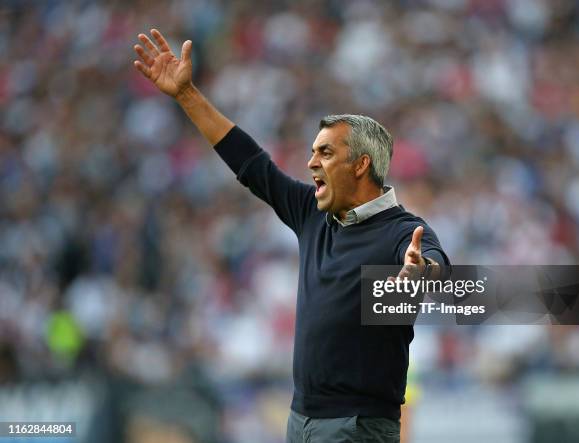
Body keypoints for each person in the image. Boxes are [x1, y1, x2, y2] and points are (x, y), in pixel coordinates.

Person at [133, 29, 449, 443]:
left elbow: (439, 272)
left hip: (358, 425)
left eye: (325, 153)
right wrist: (187, 95)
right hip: (301, 420)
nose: (311, 162)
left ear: (361, 166)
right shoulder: (312, 215)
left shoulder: (402, 231)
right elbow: (250, 163)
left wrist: (418, 273)